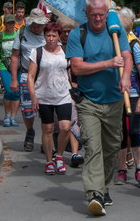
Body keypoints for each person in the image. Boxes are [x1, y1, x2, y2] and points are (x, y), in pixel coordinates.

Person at [66, 0, 132, 216]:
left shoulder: (116, 31)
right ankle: (94, 194)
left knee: (112, 147)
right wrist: (108, 64)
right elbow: (77, 68)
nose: (97, 19)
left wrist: (125, 77)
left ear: (107, 14)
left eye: (101, 14)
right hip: (88, 101)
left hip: (114, 100)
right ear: (86, 14)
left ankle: (103, 187)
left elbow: (126, 56)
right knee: (93, 147)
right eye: (93, 15)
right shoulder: (78, 34)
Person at [27, 22, 72, 175]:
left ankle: (59, 156)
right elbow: (31, 76)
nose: (50, 39)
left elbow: (71, 71)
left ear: (59, 36)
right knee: (48, 129)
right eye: (48, 35)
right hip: (44, 95)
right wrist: (33, 96)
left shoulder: (65, 51)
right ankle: (48, 160)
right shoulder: (37, 52)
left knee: (65, 127)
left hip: (63, 94)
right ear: (44, 36)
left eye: (54, 35)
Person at [115, 8, 140, 188]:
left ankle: (139, 169)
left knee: (134, 132)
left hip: (135, 95)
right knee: (120, 134)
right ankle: (121, 169)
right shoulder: (113, 46)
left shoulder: (134, 45)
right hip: (116, 97)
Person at [10, 8, 49, 152]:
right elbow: (15, 56)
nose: (38, 27)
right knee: (28, 109)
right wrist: (14, 79)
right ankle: (30, 131)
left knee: (47, 109)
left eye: (40, 24)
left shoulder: (48, 34)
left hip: (45, 75)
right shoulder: (21, 33)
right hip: (26, 75)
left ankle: (47, 139)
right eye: (35, 24)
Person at [57, 16, 84, 168]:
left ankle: (74, 153)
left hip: (75, 89)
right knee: (59, 124)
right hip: (57, 90)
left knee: (74, 121)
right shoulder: (55, 47)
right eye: (64, 31)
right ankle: (57, 151)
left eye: (69, 31)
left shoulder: (77, 45)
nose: (67, 34)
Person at [0, 14, 20, 127]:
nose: (11, 25)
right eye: (8, 23)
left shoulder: (19, 34)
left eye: (12, 23)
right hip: (4, 65)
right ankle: (7, 115)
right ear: (5, 24)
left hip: (17, 65)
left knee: (17, 92)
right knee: (9, 90)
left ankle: (13, 117)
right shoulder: (0, 36)